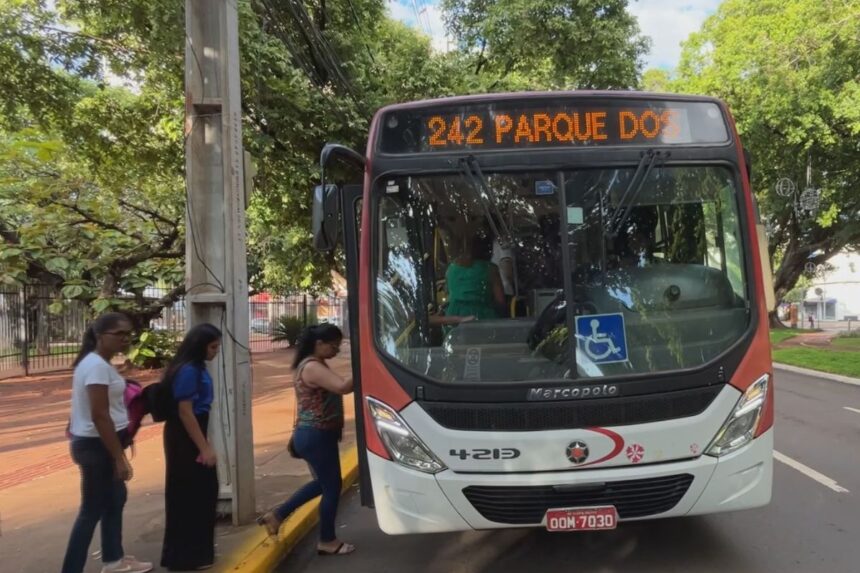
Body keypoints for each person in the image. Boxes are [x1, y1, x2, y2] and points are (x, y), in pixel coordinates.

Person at [62, 313, 153, 573]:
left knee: (115, 499)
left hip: (101, 445)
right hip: (98, 447)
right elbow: (100, 415)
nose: (125, 339)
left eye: (128, 334)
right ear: (100, 336)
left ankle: (114, 560)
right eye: (119, 334)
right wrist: (118, 458)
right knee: (91, 510)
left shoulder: (99, 364)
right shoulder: (95, 367)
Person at [257, 324, 355, 556]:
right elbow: (342, 387)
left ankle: (278, 515)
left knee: (323, 483)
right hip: (316, 435)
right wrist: (364, 366)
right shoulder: (312, 367)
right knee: (332, 487)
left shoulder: (315, 364)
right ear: (319, 344)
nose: (336, 351)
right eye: (333, 345)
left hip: (315, 435)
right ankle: (327, 539)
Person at [160, 323, 222, 571]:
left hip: (193, 430)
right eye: (213, 347)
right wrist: (204, 447)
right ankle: (185, 556)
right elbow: (185, 412)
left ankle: (195, 553)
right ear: (200, 346)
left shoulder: (196, 367)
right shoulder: (188, 371)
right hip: (185, 435)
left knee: (202, 493)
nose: (215, 352)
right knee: (191, 494)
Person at [442, 230, 505, 323]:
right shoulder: (490, 268)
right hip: (481, 317)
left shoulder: (451, 268)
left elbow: (449, 294)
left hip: (453, 318)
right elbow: (500, 300)